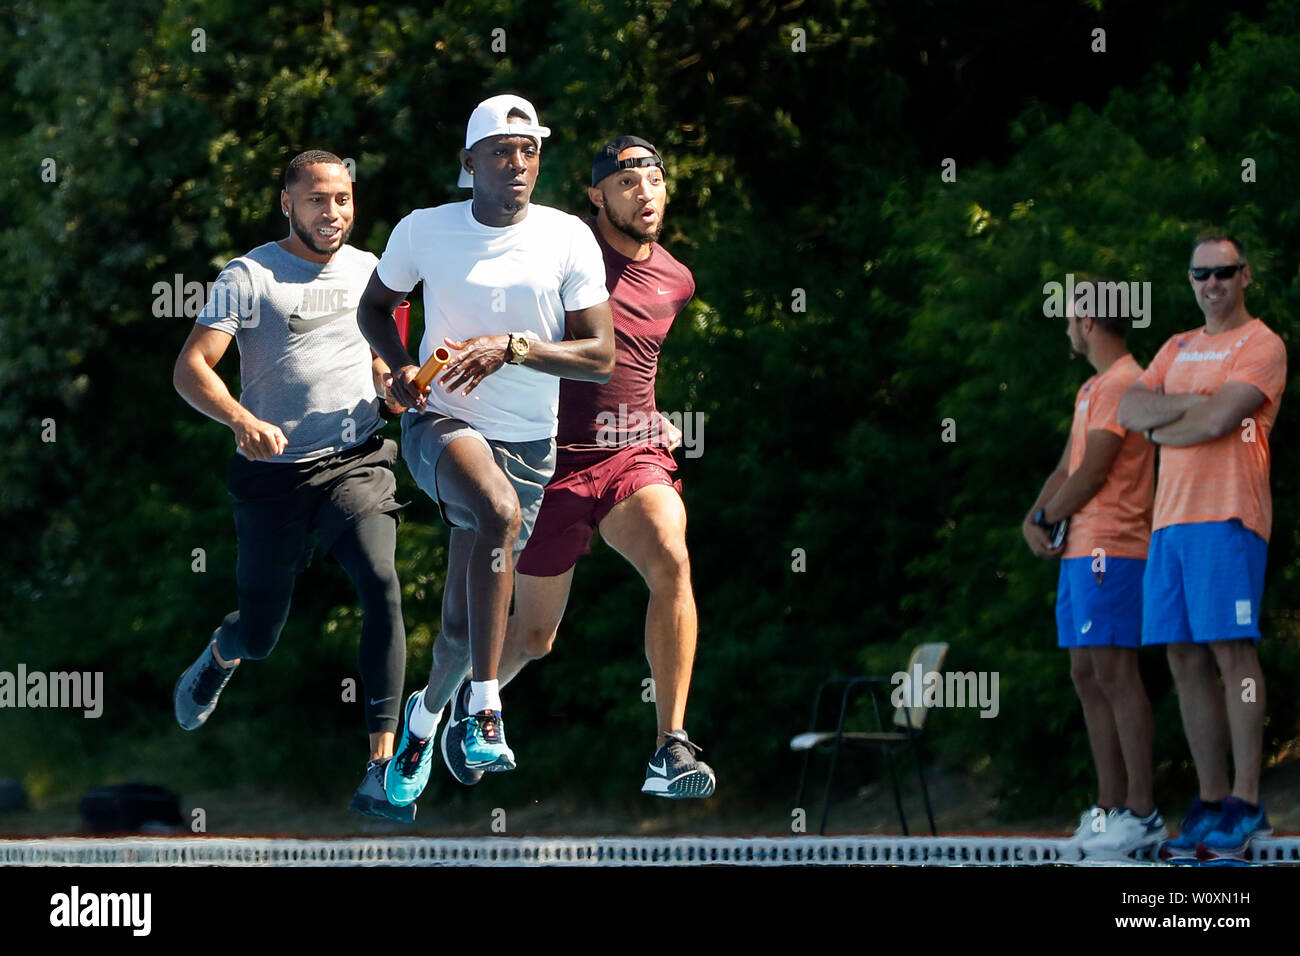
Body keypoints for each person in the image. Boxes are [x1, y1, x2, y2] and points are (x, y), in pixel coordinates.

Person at [428, 136, 716, 800]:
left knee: (671, 556)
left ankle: (669, 747)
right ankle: (470, 710)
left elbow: (633, 363)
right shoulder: (557, 257)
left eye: (654, 180)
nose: (644, 193)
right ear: (597, 196)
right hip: (547, 465)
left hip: (630, 455)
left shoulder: (676, 279)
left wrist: (656, 416)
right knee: (533, 636)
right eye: (626, 183)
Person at [356, 95, 614, 806]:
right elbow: (373, 308)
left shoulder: (567, 238)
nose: (518, 162)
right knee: (496, 514)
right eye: (502, 150)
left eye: (529, 149)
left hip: (528, 443)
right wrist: (399, 368)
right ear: (469, 163)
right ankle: (485, 710)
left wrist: (514, 347)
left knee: (463, 629)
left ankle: (425, 714)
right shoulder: (424, 231)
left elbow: (599, 356)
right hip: (441, 427)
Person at [172, 150, 413, 821]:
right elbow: (191, 369)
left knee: (381, 582)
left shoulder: (374, 273)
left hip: (354, 461)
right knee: (261, 634)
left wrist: (394, 389)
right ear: (287, 203)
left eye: (341, 198)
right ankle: (224, 650)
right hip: (271, 478)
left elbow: (383, 367)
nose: (330, 212)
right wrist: (241, 419)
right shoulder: (247, 277)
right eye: (315, 200)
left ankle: (381, 768)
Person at [1118, 235, 1286, 862]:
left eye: (1223, 272)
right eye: (1201, 274)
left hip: (1228, 515)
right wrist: (1190, 406)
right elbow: (1131, 406)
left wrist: (1171, 419)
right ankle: (1211, 800)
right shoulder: (1177, 345)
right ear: (1189, 280)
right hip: (1170, 522)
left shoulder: (1263, 344)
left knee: (1231, 653)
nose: (1212, 283)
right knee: (1183, 659)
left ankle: (1246, 802)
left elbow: (1223, 421)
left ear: (1245, 275)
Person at [1022, 279, 1159, 856]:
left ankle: (1143, 811)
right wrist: (1035, 517)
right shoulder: (1090, 389)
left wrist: (1049, 513)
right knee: (1086, 674)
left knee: (1115, 673)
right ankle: (1108, 808)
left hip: (1116, 546)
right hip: (1078, 549)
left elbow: (1097, 469)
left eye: (1073, 318)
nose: (1068, 327)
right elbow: (1066, 465)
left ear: (1090, 325)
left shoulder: (1128, 381)